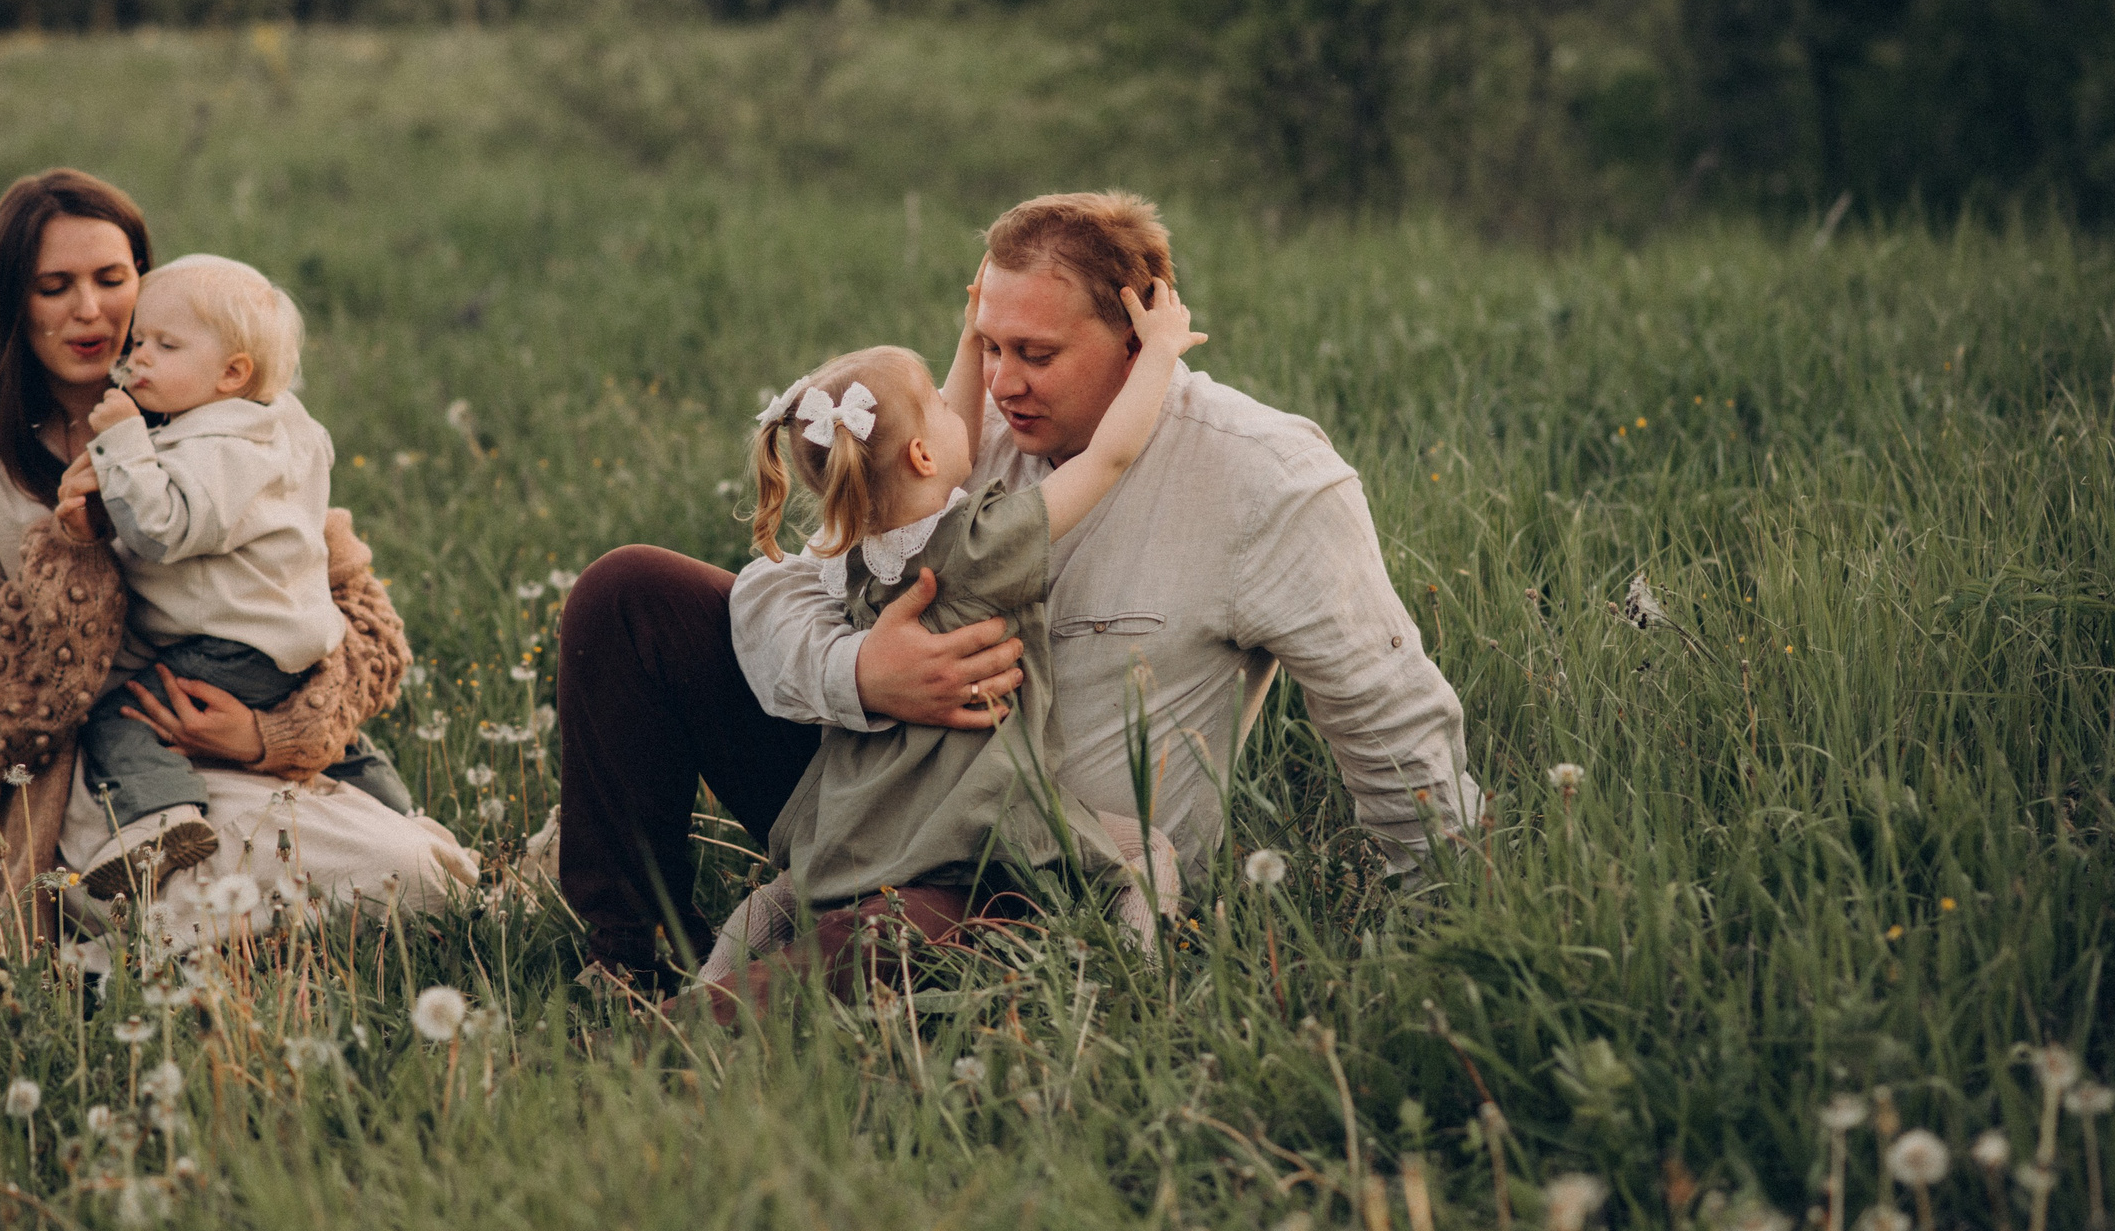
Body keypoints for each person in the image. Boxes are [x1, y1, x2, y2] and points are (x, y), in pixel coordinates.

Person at [558, 190, 1480, 994]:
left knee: (870, 945)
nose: (1002, 382)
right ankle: (627, 968)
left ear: (1136, 333)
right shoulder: (953, 439)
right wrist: (862, 673)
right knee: (627, 594)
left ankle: (672, 1048)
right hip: (874, 789)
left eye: (1035, 353)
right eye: (989, 346)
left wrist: (1451, 923)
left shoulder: (1268, 480)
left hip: (1035, 866)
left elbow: (1388, 715)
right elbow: (785, 594)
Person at [0, 169, 469, 947]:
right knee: (202, 909)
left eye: (112, 278)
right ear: (13, 303)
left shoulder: (228, 417)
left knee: (414, 877)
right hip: (103, 789)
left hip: (250, 753)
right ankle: (134, 945)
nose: (90, 309)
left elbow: (366, 631)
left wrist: (268, 735)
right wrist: (72, 551)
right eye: (53, 286)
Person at [694, 275, 1199, 986]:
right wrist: (1160, 353)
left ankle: (702, 984)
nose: (978, 398)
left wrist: (973, 331)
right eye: (940, 401)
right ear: (924, 456)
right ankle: (1140, 978)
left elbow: (929, 449)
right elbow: (1108, 456)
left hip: (856, 810)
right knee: (1146, 850)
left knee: (770, 906)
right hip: (971, 816)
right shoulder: (984, 542)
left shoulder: (854, 553)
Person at [48, 253, 407, 899]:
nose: (139, 360)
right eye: (138, 343)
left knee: (122, 715)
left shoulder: (215, 445)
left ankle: (162, 819)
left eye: (165, 345)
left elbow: (163, 530)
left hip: (229, 645)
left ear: (232, 372)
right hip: (296, 642)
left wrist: (125, 443)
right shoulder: (283, 429)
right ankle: (391, 803)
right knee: (344, 745)